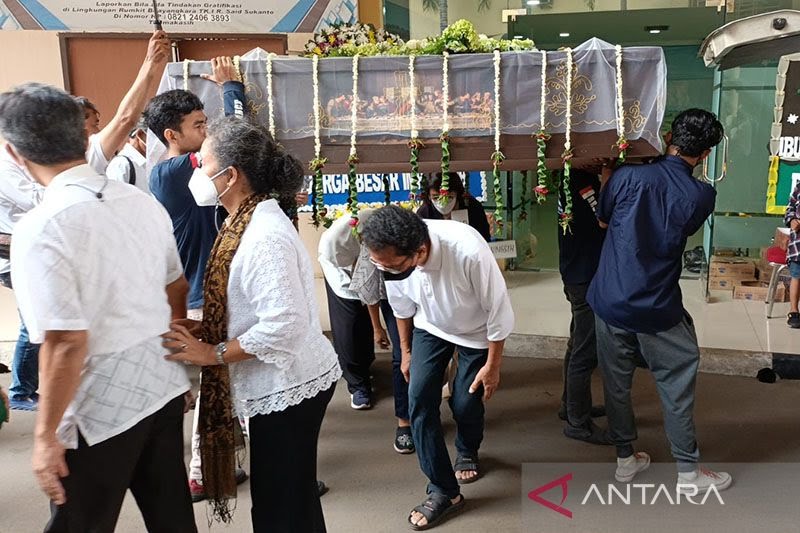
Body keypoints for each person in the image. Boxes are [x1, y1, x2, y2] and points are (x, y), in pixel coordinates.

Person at [1, 82, 195, 532]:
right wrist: (177, 365)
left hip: (98, 408)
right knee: (171, 517)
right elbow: (177, 288)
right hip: (159, 385)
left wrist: (45, 438)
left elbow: (66, 342)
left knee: (80, 523)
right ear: (83, 137)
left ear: (14, 154)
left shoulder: (41, 227)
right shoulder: (141, 202)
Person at [163, 117, 341, 532]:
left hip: (290, 383)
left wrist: (214, 352)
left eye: (202, 163)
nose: (197, 172)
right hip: (279, 379)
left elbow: (286, 323)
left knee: (280, 507)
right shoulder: (240, 219)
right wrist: (209, 331)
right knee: (288, 499)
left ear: (231, 175)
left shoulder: (264, 235)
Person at [587, 109, 732, 492]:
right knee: (678, 375)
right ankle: (688, 473)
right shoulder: (702, 195)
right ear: (705, 155)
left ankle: (625, 460)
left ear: (668, 136)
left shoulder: (625, 177)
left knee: (616, 383)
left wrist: (607, 178)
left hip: (610, 300)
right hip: (656, 306)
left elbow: (603, 222)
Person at [361, 205, 514, 530]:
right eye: (380, 264)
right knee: (418, 401)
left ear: (419, 251)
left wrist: (494, 365)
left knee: (464, 401)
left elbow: (499, 310)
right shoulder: (392, 259)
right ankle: (444, 490)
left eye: (393, 265)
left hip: (477, 333)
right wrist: (405, 351)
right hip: (430, 327)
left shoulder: (468, 250)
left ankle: (467, 448)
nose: (387, 270)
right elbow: (402, 306)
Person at [144, 56, 248, 502]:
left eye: (207, 122)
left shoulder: (181, 172)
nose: (208, 131)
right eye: (199, 124)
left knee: (228, 384)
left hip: (211, 291)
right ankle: (203, 474)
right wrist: (231, 92)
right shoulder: (173, 171)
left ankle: (225, 466)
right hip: (205, 296)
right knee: (215, 386)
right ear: (173, 135)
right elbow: (238, 144)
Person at [321, 210, 415, 453]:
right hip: (390, 298)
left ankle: (420, 412)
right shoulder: (367, 256)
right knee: (400, 355)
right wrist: (377, 328)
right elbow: (371, 293)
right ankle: (403, 422)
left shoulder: (415, 247)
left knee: (413, 355)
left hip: (415, 298)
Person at [557, 168, 610, 445]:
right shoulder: (581, 181)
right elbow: (602, 219)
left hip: (578, 274)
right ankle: (578, 422)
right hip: (584, 278)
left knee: (576, 342)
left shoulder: (572, 178)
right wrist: (609, 174)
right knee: (584, 352)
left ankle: (571, 406)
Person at [74, 30, 171, 176]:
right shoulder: (89, 156)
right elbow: (125, 119)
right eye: (94, 126)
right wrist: (150, 62)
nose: (99, 132)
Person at [318, 215, 376, 410]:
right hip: (339, 271)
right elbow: (343, 263)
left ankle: (366, 364)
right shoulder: (332, 245)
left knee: (365, 318)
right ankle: (357, 385)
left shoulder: (375, 222)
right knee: (347, 323)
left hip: (366, 261)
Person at [0, 148, 42, 411]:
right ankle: (20, 391)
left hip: (29, 254)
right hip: (15, 258)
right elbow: (36, 200)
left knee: (37, 323)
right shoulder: (6, 168)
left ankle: (25, 387)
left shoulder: (27, 164)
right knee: (32, 323)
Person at [416, 172, 491, 241]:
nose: (443, 204)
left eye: (449, 197)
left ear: (457, 193)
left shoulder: (472, 207)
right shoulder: (424, 213)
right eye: (435, 198)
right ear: (429, 196)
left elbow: (484, 238)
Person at [106, 122, 148, 192]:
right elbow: (117, 200)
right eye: (155, 137)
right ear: (140, 134)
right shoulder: (121, 165)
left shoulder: (149, 163)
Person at [783, 180, 800, 328]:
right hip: (798, 245)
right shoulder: (799, 187)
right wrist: (792, 220)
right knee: (796, 275)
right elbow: (790, 209)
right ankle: (794, 311)